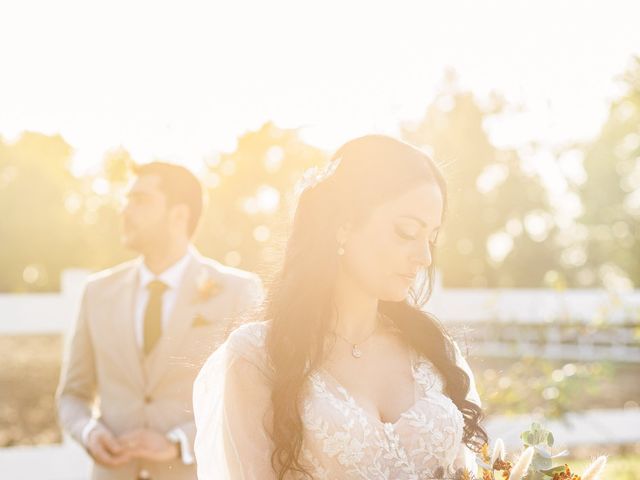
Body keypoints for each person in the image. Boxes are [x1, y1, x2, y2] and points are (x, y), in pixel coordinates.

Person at [193, 135, 488, 479]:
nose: (423, 257)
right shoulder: (257, 356)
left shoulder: (432, 351)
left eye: (431, 238)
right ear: (344, 225)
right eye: (407, 232)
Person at [57, 162, 263, 480]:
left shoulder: (238, 291)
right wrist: (88, 432)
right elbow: (72, 394)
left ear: (179, 215)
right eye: (128, 199)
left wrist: (180, 442)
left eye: (141, 200)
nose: (126, 210)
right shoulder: (97, 292)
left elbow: (251, 399)